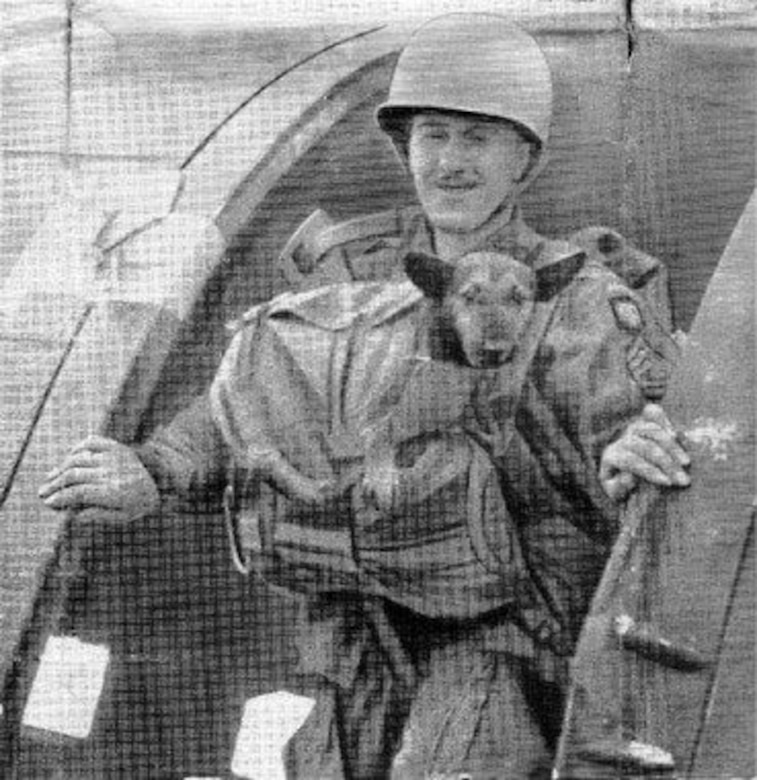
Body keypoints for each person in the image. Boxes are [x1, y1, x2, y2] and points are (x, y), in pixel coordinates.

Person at [38, 14, 690, 779]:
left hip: (499, 640)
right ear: (402, 146)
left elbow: (616, 434)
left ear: (524, 158)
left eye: (476, 138)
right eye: (432, 135)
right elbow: (257, 391)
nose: (449, 160)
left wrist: (626, 456)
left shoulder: (575, 292)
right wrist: (155, 468)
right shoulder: (346, 269)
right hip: (352, 632)